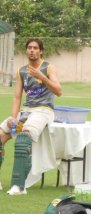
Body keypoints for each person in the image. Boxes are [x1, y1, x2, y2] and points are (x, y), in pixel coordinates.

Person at [0, 38, 62, 195]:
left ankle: (18, 186)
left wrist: (42, 76)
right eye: (29, 48)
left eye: (35, 48)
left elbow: (58, 91)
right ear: (26, 51)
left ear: (41, 51)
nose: (32, 50)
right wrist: (14, 117)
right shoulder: (21, 71)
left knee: (23, 137)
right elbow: (17, 97)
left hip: (43, 110)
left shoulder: (49, 68)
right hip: (26, 111)